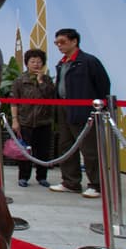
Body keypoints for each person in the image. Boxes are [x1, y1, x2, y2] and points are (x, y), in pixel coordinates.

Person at [49, 28, 111, 198]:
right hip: (64, 109)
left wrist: (100, 108)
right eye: (57, 43)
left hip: (84, 110)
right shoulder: (62, 63)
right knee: (66, 146)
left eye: (63, 42)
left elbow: (103, 85)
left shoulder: (89, 62)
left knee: (89, 148)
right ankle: (70, 182)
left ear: (74, 41)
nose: (59, 46)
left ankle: (96, 184)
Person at [10, 49, 55, 187]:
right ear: (27, 63)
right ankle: (23, 177)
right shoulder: (19, 81)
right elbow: (14, 101)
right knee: (24, 152)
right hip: (25, 122)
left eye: (39, 61)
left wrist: (41, 81)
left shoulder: (47, 80)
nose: (36, 64)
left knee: (43, 151)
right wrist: (15, 120)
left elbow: (50, 96)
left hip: (44, 122)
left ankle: (42, 177)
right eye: (33, 61)